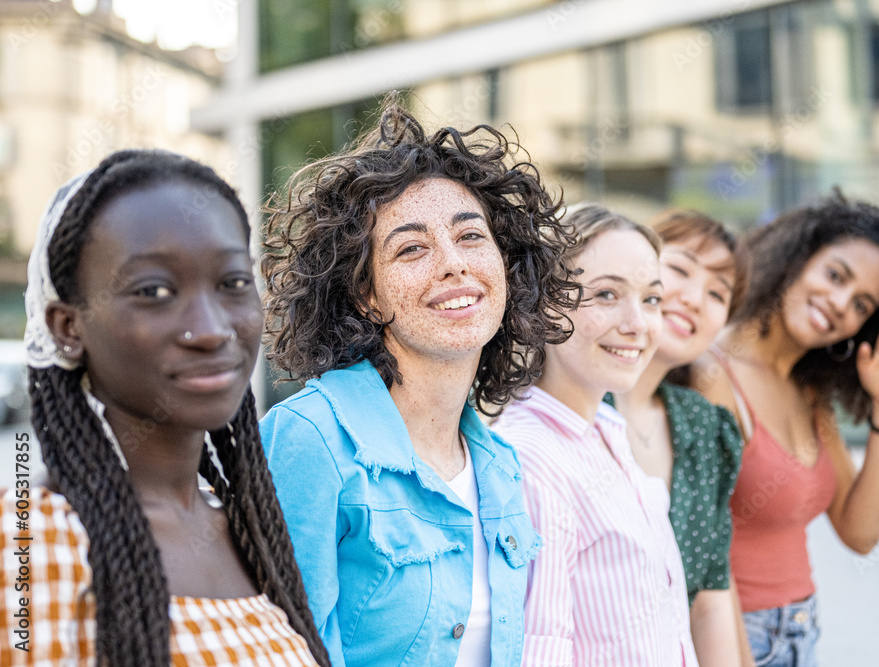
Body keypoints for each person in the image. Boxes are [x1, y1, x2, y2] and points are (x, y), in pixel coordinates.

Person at [258, 102, 579, 667]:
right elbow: (278, 652)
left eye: (471, 237)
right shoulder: (310, 440)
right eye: (411, 247)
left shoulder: (498, 463)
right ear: (366, 295)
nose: (453, 264)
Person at [0, 149, 329, 666]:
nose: (212, 329)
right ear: (68, 328)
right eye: (154, 291)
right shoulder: (34, 542)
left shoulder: (249, 529)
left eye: (233, 283)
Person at [691, 192, 879, 667]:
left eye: (862, 305)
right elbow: (701, 550)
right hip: (736, 640)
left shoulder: (809, 394)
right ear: (796, 260)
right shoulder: (711, 375)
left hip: (801, 631)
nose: (841, 303)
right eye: (835, 275)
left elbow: (860, 532)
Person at [492, 203, 698, 667]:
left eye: (651, 299)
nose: (637, 324)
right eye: (607, 295)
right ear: (542, 305)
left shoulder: (605, 430)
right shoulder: (532, 460)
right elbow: (541, 646)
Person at [608, 209, 748, 667]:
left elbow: (709, 598)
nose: (693, 298)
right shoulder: (568, 404)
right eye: (681, 270)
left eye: (717, 293)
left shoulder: (705, 430)